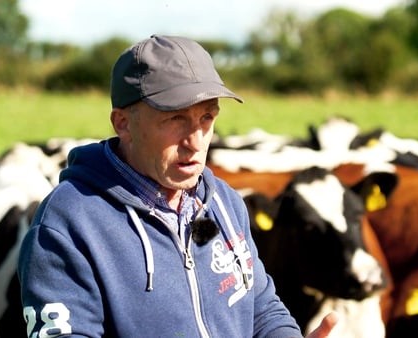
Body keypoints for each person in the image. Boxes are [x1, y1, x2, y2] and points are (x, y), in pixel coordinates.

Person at [17, 34, 338, 338]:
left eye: (207, 119)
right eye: (175, 120)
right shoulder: (68, 224)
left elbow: (261, 309)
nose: (196, 142)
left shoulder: (224, 203)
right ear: (123, 124)